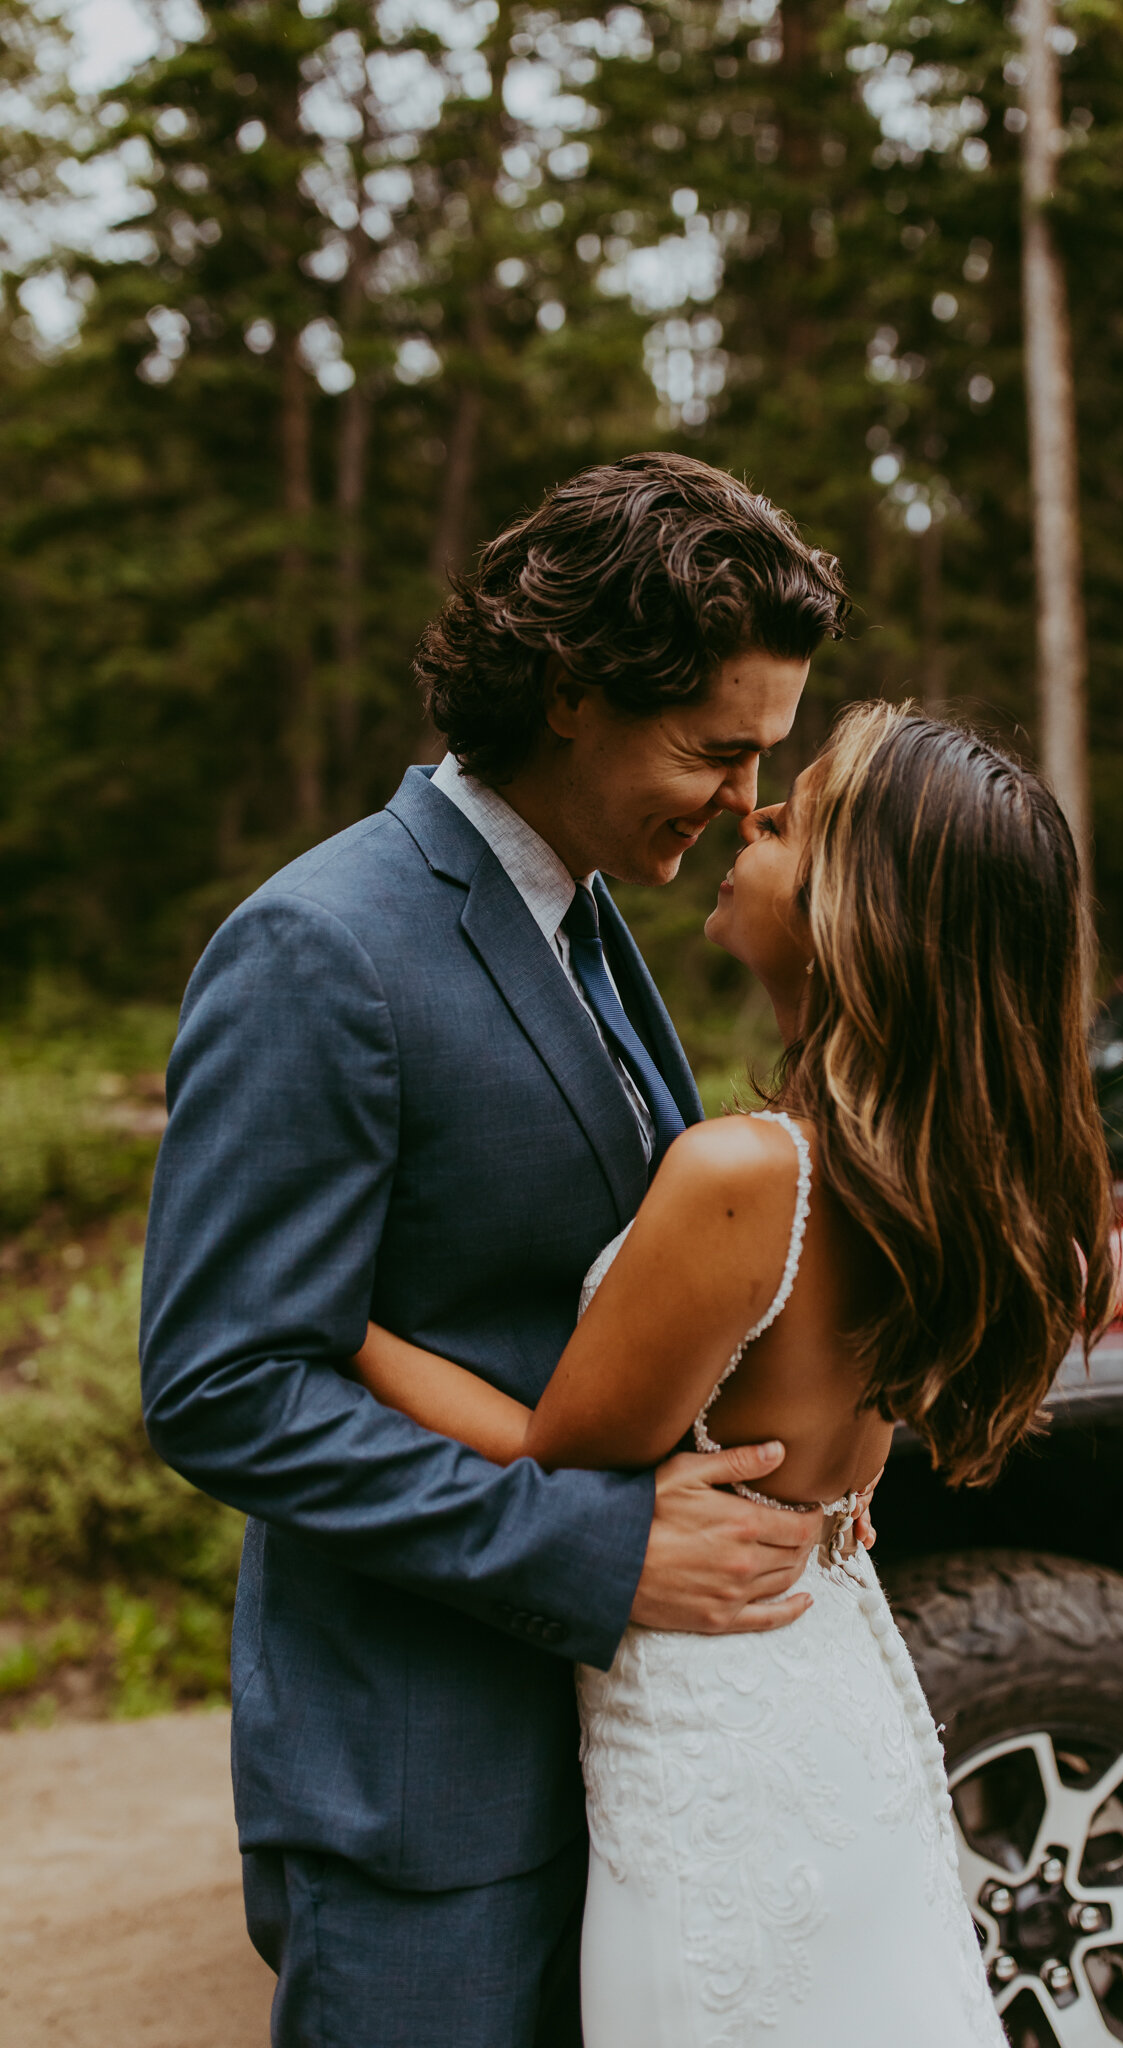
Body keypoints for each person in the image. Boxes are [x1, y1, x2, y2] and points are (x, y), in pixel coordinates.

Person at [138, 451, 850, 2048]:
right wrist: (594, 1548)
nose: (744, 803)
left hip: (617, 1772)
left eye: (765, 760)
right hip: (424, 1805)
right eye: (713, 750)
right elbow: (223, 1382)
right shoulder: (320, 948)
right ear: (569, 691)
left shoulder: (589, 922)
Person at [353, 700, 1121, 2046]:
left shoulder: (749, 1176)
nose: (746, 815)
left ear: (857, 912)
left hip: (718, 1758)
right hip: (833, 1701)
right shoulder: (932, 1191)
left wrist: (338, 1325)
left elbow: (554, 1456)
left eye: (796, 817)